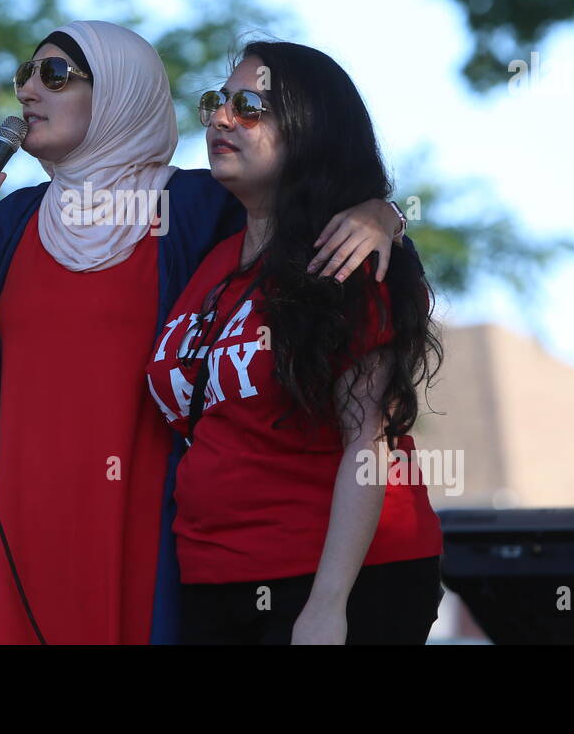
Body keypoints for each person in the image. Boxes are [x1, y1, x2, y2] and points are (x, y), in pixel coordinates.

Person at [0, 20, 414, 644]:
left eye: (54, 75)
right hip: (13, 523)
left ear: (121, 94)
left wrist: (385, 214)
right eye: (24, 75)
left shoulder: (194, 206)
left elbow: (310, 202)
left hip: (141, 527)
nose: (25, 92)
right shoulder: (12, 220)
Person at [144, 41, 445, 645]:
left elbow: (369, 443)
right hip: (212, 577)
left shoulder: (351, 254)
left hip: (338, 581)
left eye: (251, 106)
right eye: (217, 102)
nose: (221, 118)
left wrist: (328, 605)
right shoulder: (212, 257)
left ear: (311, 129)